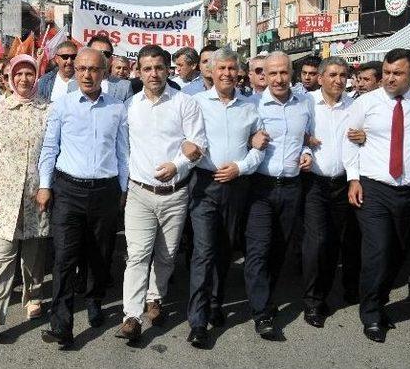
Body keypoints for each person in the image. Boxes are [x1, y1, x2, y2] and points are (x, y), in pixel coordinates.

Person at [343, 48, 410, 343]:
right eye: (386, 72)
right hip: (375, 189)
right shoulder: (367, 102)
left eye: (397, 73)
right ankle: (370, 313)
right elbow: (349, 140)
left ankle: (379, 299)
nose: (390, 78)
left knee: (398, 251)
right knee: (378, 249)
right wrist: (353, 178)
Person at [37, 47, 128, 349]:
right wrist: (44, 185)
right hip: (68, 190)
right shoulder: (61, 106)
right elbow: (50, 148)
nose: (87, 74)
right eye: (81, 69)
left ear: (104, 73)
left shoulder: (117, 108)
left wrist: (124, 189)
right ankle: (61, 323)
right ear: (74, 71)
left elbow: (122, 152)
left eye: (94, 69)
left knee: (100, 253)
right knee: (64, 257)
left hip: (105, 191)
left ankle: (94, 300)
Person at [116, 44, 207, 341]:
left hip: (175, 192)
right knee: (137, 254)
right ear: (138, 72)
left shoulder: (185, 103)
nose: (153, 74)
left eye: (159, 67)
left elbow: (198, 145)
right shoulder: (130, 107)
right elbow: (122, 149)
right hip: (140, 192)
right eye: (147, 68)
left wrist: (177, 165)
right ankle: (131, 316)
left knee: (166, 255)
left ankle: (155, 298)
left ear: (168, 69)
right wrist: (124, 186)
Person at [187, 48, 265, 348]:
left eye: (232, 69)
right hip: (205, 185)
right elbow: (182, 136)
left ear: (238, 72)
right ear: (212, 70)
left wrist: (241, 167)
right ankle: (198, 320)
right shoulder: (195, 104)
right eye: (222, 68)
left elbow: (260, 146)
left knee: (225, 249)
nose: (227, 74)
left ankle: (216, 303)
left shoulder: (249, 107)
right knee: (203, 252)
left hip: (236, 184)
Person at [0, 54, 50, 338]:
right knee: (2, 255)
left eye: (29, 73)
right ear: (7, 77)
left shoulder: (48, 109)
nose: (23, 79)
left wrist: (47, 186)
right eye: (17, 73)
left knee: (33, 252)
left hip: (36, 192)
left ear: (37, 75)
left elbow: (51, 152)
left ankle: (33, 296)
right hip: (3, 194)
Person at [244, 51, 313, 339]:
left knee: (279, 250)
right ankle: (261, 313)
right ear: (264, 76)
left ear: (291, 73)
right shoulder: (253, 106)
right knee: (258, 250)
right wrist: (250, 140)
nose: (278, 78)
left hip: (292, 187)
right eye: (272, 73)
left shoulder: (305, 105)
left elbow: (309, 136)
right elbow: (238, 140)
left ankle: (266, 297)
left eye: (283, 72)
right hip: (260, 188)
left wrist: (307, 152)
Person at [300, 56, 361, 329]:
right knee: (317, 242)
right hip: (315, 184)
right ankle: (312, 302)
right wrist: (304, 146)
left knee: (335, 242)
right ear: (321, 77)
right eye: (333, 74)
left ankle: (326, 292)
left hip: (344, 183)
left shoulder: (355, 106)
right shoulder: (306, 103)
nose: (339, 80)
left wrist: (365, 137)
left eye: (343, 75)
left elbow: (363, 140)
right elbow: (294, 134)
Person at [72, 34, 132, 102]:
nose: (101, 57)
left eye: (106, 54)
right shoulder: (73, 85)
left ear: (111, 59)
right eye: (96, 53)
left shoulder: (124, 87)